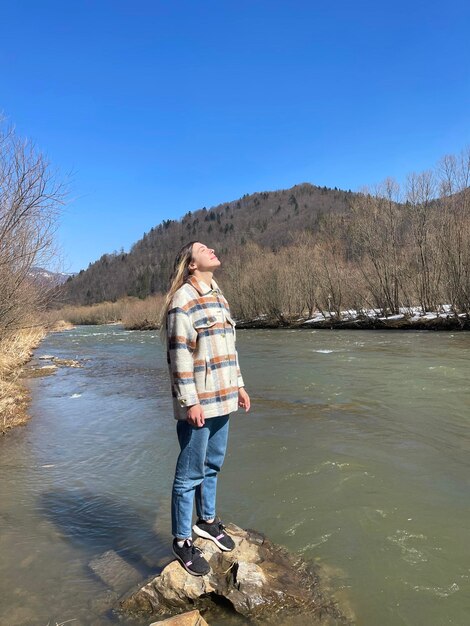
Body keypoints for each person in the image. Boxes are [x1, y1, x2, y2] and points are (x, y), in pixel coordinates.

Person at [160, 241, 251, 576]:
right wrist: (190, 401)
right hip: (198, 403)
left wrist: (239, 385)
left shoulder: (218, 295)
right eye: (204, 249)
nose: (213, 249)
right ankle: (182, 540)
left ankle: (207, 522)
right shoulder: (182, 300)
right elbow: (179, 356)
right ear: (191, 264)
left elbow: (229, 349)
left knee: (213, 464)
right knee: (188, 475)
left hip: (223, 396)